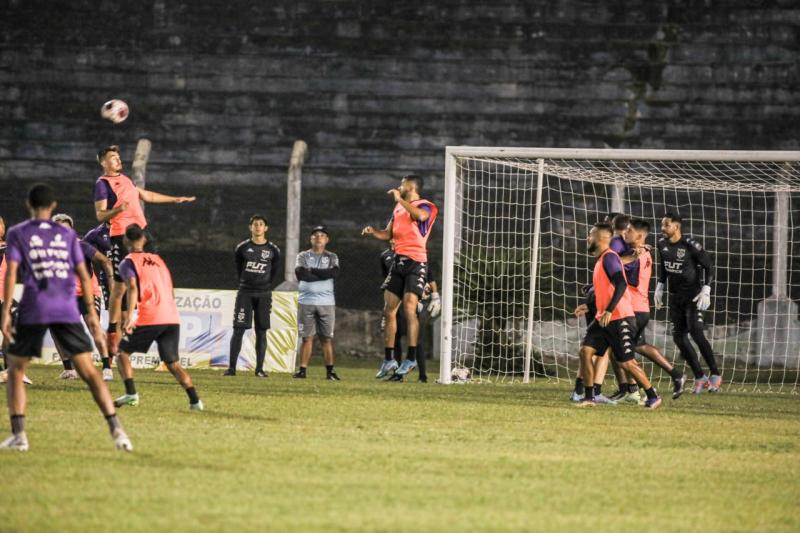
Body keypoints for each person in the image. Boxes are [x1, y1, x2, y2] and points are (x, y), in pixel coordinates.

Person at [0, 184, 132, 451]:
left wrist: (5, 311)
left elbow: (11, 273)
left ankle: (20, 435)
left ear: (29, 205)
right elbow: (84, 274)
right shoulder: (68, 236)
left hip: (34, 307)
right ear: (54, 206)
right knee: (89, 372)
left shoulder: (18, 233)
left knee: (15, 370)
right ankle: (117, 430)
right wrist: (92, 313)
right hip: (66, 307)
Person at [93, 145, 195, 358]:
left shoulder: (127, 180)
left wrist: (174, 199)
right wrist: (119, 210)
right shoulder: (103, 184)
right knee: (120, 287)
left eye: (118, 157)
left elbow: (146, 195)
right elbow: (100, 216)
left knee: (157, 273)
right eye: (112, 157)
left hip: (142, 232)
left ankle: (159, 333)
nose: (118, 160)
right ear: (103, 162)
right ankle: (113, 330)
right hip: (121, 236)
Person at [112, 224, 203, 411]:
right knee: (173, 364)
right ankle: (195, 401)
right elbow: (170, 287)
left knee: (121, 353)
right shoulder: (159, 260)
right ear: (144, 239)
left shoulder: (127, 262)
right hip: (171, 316)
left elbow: (132, 286)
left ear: (126, 240)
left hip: (150, 316)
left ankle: (131, 394)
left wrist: (129, 316)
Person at [362, 175, 438, 379]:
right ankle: (389, 359)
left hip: (417, 262)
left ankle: (411, 357)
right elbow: (388, 234)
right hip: (399, 263)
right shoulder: (398, 208)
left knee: (409, 309)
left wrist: (400, 200)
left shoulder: (427, 205)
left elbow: (420, 217)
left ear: (411, 186)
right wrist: (373, 231)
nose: (399, 186)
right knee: (388, 312)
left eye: (402, 183)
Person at [578, 223, 661, 409]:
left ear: (601, 239)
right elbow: (604, 291)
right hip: (603, 318)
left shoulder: (609, 258)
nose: (587, 238)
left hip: (620, 317)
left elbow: (621, 284)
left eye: (590, 235)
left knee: (626, 362)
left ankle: (652, 395)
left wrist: (608, 310)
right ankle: (590, 398)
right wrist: (589, 305)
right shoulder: (601, 260)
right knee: (585, 351)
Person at [655, 212, 721, 393]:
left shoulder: (690, 245)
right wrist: (660, 286)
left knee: (696, 333)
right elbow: (664, 266)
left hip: (693, 296)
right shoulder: (661, 243)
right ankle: (700, 377)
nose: (662, 228)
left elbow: (709, 266)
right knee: (678, 337)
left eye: (666, 225)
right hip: (675, 297)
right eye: (662, 225)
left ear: (676, 226)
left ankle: (715, 374)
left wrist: (706, 289)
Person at [52, 213, 115, 381]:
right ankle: (69, 370)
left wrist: (111, 284)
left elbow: (105, 261)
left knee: (94, 326)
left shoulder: (81, 246)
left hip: (87, 293)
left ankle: (107, 367)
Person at [225, 215, 281, 377]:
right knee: (238, 329)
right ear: (250, 228)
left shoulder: (273, 250)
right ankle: (231, 368)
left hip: (263, 294)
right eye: (255, 224)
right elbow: (238, 269)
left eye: (261, 224)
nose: (258, 227)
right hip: (245, 293)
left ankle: (259, 369)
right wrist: (247, 283)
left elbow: (274, 273)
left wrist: (263, 284)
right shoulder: (242, 248)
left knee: (262, 331)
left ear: (266, 228)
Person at [293, 226, 340, 380]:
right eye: (315, 235)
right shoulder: (303, 255)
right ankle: (302, 370)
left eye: (322, 235)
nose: (319, 237)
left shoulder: (332, 256)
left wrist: (312, 271)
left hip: (327, 303)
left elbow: (334, 273)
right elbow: (301, 274)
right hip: (306, 302)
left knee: (326, 338)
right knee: (307, 338)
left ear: (327, 240)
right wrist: (322, 275)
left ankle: (330, 372)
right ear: (311, 239)